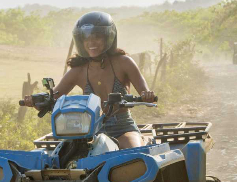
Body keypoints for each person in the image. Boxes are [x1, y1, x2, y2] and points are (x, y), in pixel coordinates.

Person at [26, 12, 156, 149]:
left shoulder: (124, 62)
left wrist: (147, 96)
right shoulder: (79, 70)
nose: (91, 43)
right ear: (80, 42)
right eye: (86, 39)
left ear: (108, 38)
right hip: (88, 130)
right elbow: (54, 97)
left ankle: (140, 144)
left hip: (122, 128)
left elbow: (145, 92)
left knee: (134, 154)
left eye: (97, 37)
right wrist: (38, 102)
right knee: (66, 160)